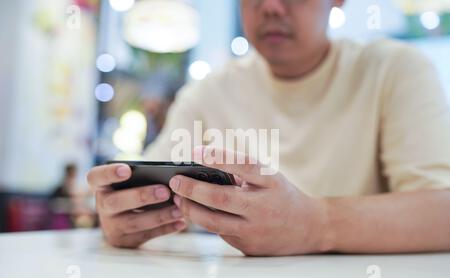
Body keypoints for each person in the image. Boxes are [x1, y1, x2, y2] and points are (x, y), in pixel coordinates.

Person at [87, 0, 450, 255]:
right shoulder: (208, 93)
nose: (271, 6)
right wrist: (123, 216)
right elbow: (144, 192)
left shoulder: (394, 70)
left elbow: (441, 215)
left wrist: (314, 224)